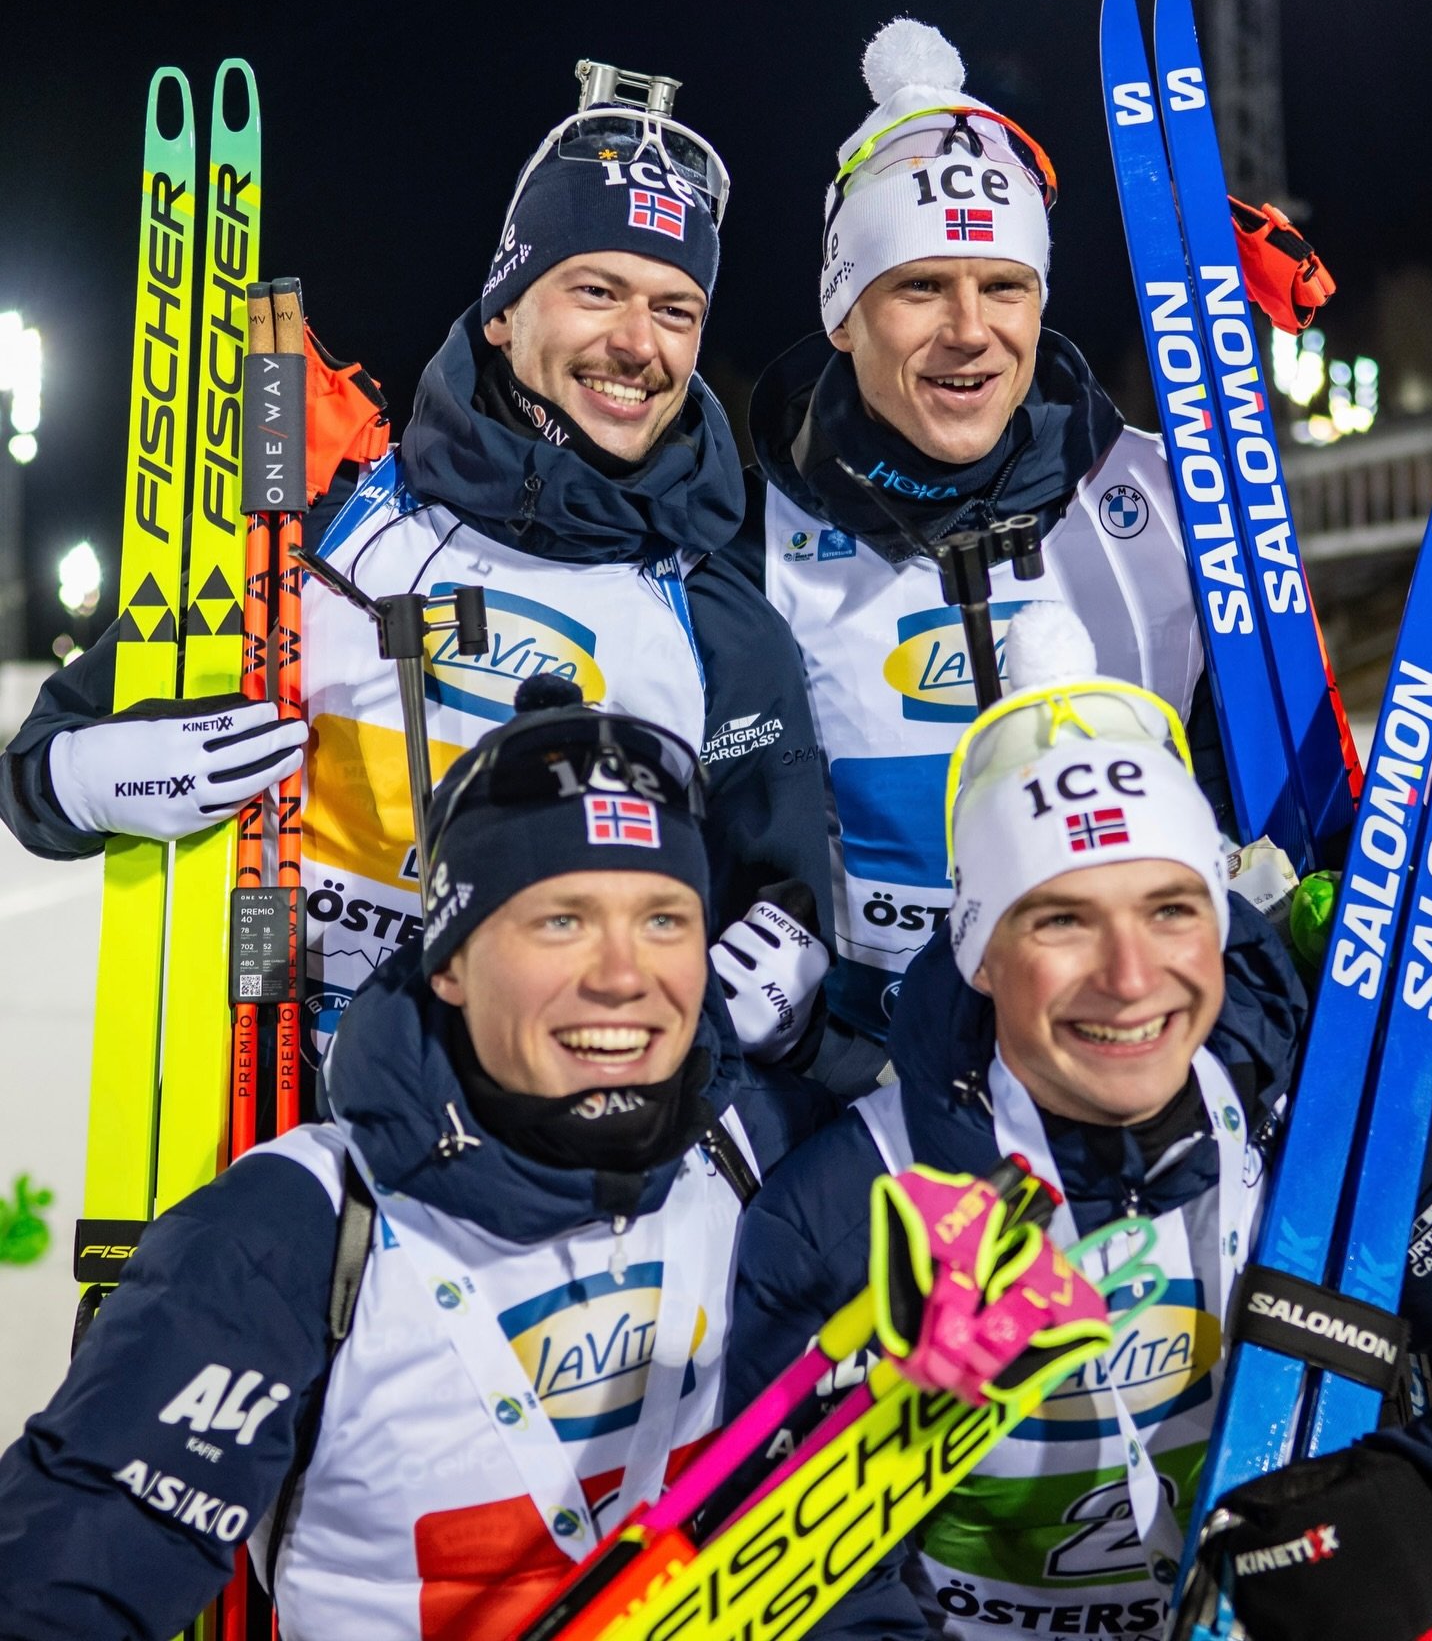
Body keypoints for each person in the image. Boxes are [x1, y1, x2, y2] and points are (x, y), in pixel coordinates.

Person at [0, 58, 833, 1070]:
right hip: (275, 1112)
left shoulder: (718, 618)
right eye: (596, 290)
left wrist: (782, 982)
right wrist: (86, 776)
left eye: (675, 310)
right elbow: (41, 761)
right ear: (503, 311)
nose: (635, 342)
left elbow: (781, 896)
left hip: (550, 1176)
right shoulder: (325, 523)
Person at [0, 681, 833, 1638]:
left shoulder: (760, 1147)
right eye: (561, 919)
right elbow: (74, 1568)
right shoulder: (299, 1225)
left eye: (664, 920)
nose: (622, 975)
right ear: (448, 962)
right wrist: (51, 776)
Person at [723, 602, 1432, 1640]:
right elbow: (809, 1584)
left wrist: (1417, 1502)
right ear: (983, 953)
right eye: (1062, 918)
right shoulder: (841, 1212)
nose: (1131, 979)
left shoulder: (1342, 1119)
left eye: (1170, 908)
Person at [721, 18, 1226, 1046]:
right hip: (856, 1098)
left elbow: (1249, 796)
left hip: (1123, 1064)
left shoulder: (1166, 508)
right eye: (919, 286)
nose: (969, 330)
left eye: (1004, 286)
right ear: (843, 308)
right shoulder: (744, 538)